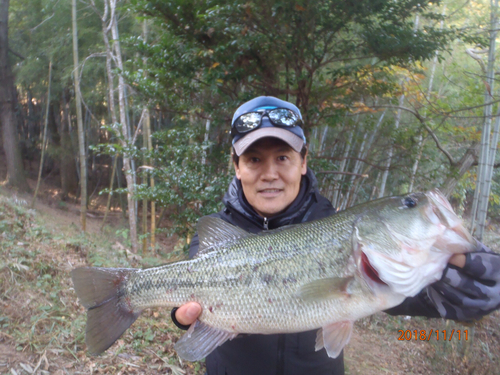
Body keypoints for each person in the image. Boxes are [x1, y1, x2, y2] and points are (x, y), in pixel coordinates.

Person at [171, 96, 500, 375]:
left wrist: (457, 275)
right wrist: (186, 316)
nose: (269, 173)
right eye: (254, 159)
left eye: (283, 158)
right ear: (237, 166)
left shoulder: (337, 226)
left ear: (303, 162)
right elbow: (190, 302)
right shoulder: (217, 232)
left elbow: (451, 292)